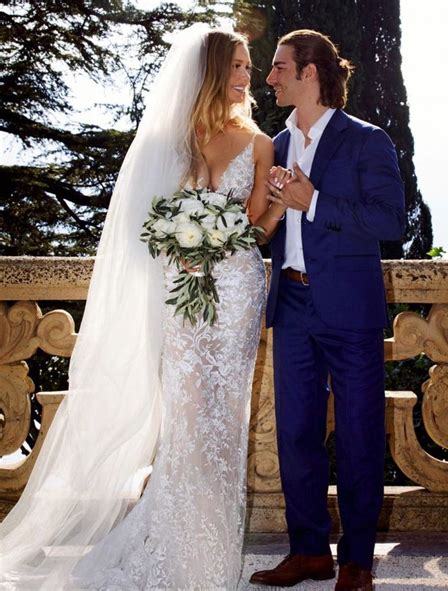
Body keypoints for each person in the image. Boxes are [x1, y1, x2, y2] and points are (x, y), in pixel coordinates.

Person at [0, 25, 286, 590]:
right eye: (236, 66)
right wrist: (183, 244)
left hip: (236, 290)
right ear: (210, 72)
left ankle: (209, 554)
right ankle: (175, 546)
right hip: (184, 296)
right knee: (185, 420)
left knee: (224, 419)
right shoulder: (172, 141)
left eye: (249, 67)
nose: (245, 77)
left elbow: (252, 229)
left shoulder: (259, 143)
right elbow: (152, 224)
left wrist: (272, 213)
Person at [250, 30, 405, 591]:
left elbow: (392, 222)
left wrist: (312, 201)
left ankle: (358, 562)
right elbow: (266, 225)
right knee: (295, 433)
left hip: (350, 309)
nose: (270, 78)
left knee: (361, 433)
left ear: (310, 73)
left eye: (279, 67)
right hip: (290, 304)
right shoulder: (274, 143)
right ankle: (309, 552)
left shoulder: (367, 141)